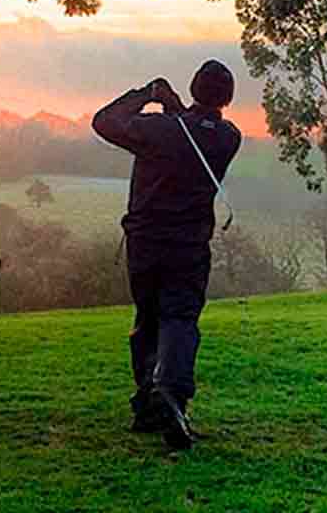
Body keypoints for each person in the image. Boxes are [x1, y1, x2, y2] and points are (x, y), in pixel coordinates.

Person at [91, 60, 242, 450]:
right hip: (189, 245)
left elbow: (104, 121)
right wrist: (176, 109)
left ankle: (151, 403)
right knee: (180, 316)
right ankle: (171, 394)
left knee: (148, 318)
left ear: (192, 88)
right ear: (227, 98)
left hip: (144, 241)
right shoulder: (228, 137)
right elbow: (194, 132)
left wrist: (149, 94)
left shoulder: (159, 130)